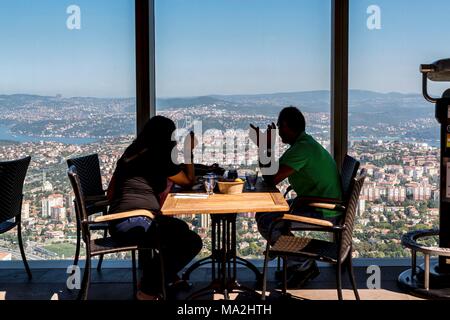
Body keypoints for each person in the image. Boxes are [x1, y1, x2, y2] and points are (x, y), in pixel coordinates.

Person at [107, 115, 203, 300]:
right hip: (137, 222)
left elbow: (110, 194)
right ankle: (147, 290)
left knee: (179, 229)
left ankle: (166, 277)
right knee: (192, 242)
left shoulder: (131, 152)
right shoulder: (159, 154)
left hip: (117, 221)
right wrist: (188, 151)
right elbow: (188, 181)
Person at [251, 106, 342, 288]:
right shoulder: (304, 144)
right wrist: (265, 146)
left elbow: (271, 178)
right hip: (318, 204)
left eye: (279, 126)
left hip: (323, 211)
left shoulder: (302, 148)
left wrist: (265, 146)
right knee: (264, 214)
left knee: (267, 222)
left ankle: (300, 262)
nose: (277, 131)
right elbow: (271, 174)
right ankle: (294, 259)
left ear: (287, 127)